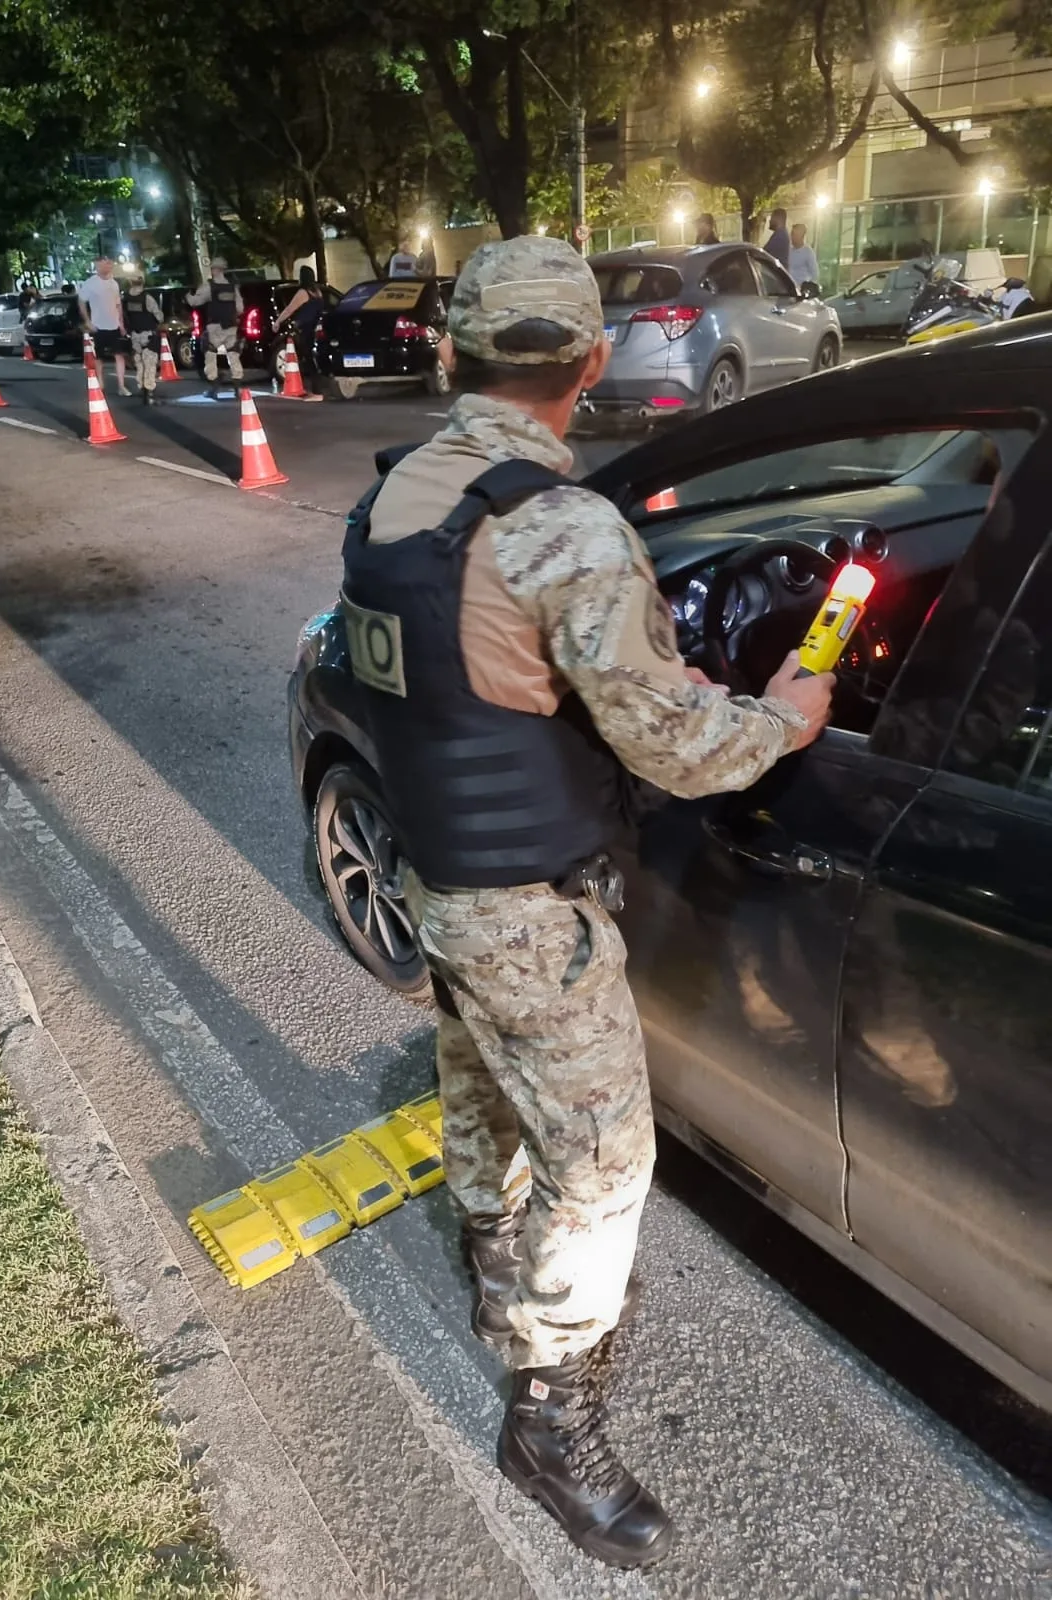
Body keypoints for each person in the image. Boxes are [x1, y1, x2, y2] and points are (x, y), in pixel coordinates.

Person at [338, 234, 834, 1569]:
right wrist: (782, 720)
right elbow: (672, 743)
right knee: (607, 1169)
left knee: (484, 1090)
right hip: (531, 914)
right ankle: (552, 1420)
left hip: (438, 878)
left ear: (450, 355)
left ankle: (496, 1265)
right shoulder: (557, 527)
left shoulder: (396, 499)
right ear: (590, 364)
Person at [186, 256, 243, 396]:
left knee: (210, 354)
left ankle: (214, 385)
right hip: (231, 326)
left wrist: (187, 296)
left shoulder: (209, 286)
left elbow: (195, 302)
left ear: (215, 269)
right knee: (233, 355)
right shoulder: (232, 287)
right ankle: (237, 387)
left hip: (215, 328)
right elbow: (240, 308)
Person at [80, 257, 129, 395]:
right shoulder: (90, 283)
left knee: (119, 355)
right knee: (100, 357)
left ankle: (121, 385)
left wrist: (121, 323)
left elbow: (118, 305)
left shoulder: (114, 283)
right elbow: (81, 302)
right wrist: (88, 321)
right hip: (98, 325)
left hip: (114, 325)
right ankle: (100, 382)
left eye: (108, 264)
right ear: (97, 267)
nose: (107, 267)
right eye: (103, 265)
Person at [272, 264, 324, 388]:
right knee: (310, 356)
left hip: (305, 328)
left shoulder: (303, 293)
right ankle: (317, 384)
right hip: (315, 327)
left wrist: (278, 321)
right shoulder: (317, 292)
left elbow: (290, 309)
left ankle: (315, 386)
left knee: (305, 356)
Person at [121, 271, 162, 404]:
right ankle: (149, 392)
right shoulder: (147, 298)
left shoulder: (125, 298)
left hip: (134, 336)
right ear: (142, 281)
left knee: (139, 364)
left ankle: (142, 388)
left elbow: (123, 315)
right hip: (147, 335)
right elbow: (159, 316)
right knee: (150, 364)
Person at [787, 222, 820, 289]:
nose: (791, 237)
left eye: (794, 234)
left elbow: (815, 274)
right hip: (788, 289)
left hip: (801, 291)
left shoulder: (808, 252)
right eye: (791, 234)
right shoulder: (789, 251)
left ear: (801, 235)